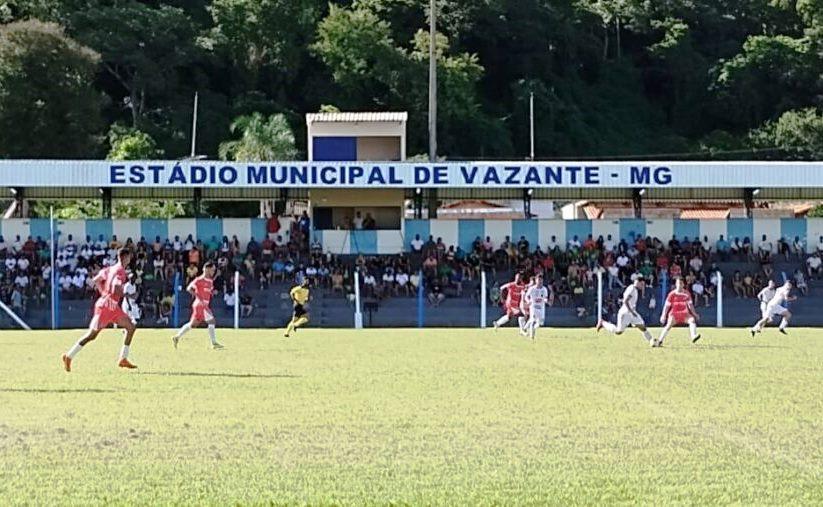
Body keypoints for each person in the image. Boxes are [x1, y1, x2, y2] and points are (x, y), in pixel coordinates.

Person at [62, 248, 137, 372]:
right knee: (91, 335)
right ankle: (68, 356)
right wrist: (129, 295)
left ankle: (123, 359)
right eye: (129, 257)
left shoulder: (109, 269)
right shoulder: (120, 272)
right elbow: (115, 289)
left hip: (112, 307)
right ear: (125, 257)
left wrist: (103, 292)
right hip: (105, 308)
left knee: (131, 327)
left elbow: (96, 280)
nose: (130, 259)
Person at [172, 261, 223, 349]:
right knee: (212, 321)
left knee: (193, 324)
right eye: (212, 270)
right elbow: (189, 288)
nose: (213, 272)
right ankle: (214, 343)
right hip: (200, 305)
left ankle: (177, 337)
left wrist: (213, 292)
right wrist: (198, 297)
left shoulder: (210, 281)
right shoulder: (199, 280)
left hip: (204, 305)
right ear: (206, 269)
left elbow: (208, 292)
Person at [596, 274, 654, 343]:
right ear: (637, 282)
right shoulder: (632, 289)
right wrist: (631, 312)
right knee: (618, 331)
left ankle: (652, 341)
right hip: (626, 312)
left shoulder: (634, 289)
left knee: (642, 326)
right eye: (642, 284)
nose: (642, 286)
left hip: (632, 312)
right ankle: (603, 323)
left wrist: (633, 312)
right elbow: (625, 301)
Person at [654, 277, 701, 347]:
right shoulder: (671, 294)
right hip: (674, 314)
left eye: (681, 283)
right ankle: (660, 341)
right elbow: (666, 306)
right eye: (678, 283)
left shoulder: (687, 294)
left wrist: (695, 314)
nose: (679, 285)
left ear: (683, 285)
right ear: (676, 284)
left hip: (685, 314)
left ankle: (693, 336)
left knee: (692, 320)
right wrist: (663, 315)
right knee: (668, 325)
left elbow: (690, 305)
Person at [523, 274, 548, 340]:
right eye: (538, 280)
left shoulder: (544, 289)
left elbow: (545, 297)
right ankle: (532, 336)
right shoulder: (532, 289)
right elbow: (526, 296)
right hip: (533, 307)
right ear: (536, 280)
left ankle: (526, 327)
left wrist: (545, 300)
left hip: (541, 308)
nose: (540, 281)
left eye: (541, 280)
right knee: (532, 320)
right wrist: (528, 301)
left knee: (540, 323)